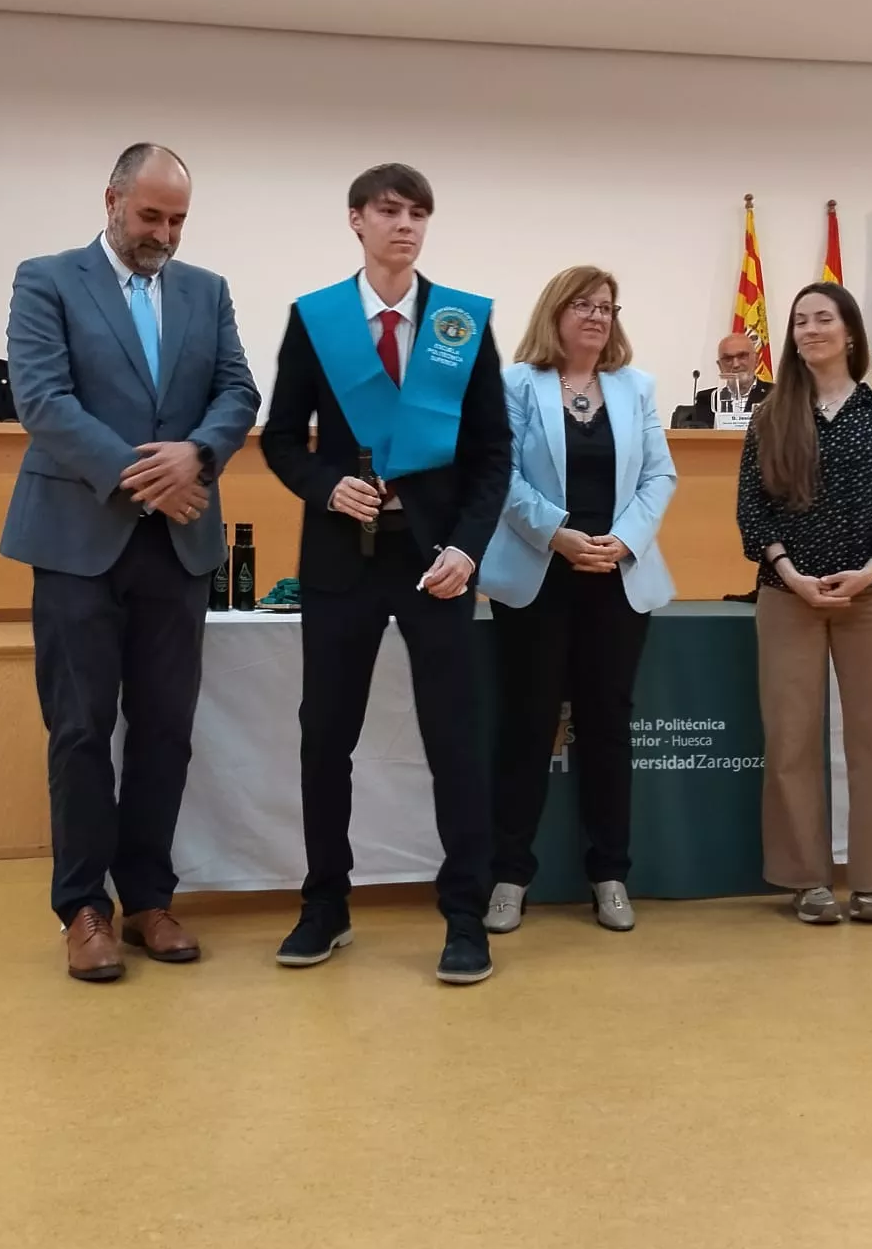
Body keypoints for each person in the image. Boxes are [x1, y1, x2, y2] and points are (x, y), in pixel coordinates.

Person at [1, 143, 260, 982]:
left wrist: (200, 451)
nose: (165, 233)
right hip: (78, 543)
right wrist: (146, 477)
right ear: (111, 199)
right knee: (80, 732)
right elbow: (42, 399)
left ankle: (148, 897)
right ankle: (84, 908)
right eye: (150, 215)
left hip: (178, 548)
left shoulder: (206, 292)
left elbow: (238, 392)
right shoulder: (46, 279)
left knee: (164, 730)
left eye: (178, 219)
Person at [261, 162, 510, 985]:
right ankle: (324, 905)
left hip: (438, 563)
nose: (406, 225)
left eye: (419, 214)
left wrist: (468, 549)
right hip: (341, 562)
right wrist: (323, 484)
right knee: (325, 740)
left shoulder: (461, 324)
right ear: (356, 220)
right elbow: (278, 440)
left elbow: (491, 454)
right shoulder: (316, 319)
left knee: (456, 742)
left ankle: (464, 915)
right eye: (389, 211)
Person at [480, 266, 676, 936]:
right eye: (584, 305)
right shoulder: (514, 386)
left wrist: (621, 541)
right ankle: (509, 876)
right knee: (528, 724)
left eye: (607, 307)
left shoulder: (636, 387)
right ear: (556, 313)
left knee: (607, 727)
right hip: (539, 576)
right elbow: (497, 474)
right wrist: (557, 536)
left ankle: (610, 874)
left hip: (616, 578)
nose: (597, 316)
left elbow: (659, 475)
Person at [737, 282, 872, 926]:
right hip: (788, 596)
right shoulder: (771, 415)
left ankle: (871, 880)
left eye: (823, 319)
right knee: (791, 740)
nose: (810, 330)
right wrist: (787, 568)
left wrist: (871, 571)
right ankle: (805, 878)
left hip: (869, 597)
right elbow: (751, 509)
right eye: (800, 321)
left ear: (851, 333)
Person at [693, 333, 769, 425]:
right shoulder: (706, 399)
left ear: (756, 360)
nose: (736, 364)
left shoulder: (775, 394)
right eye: (728, 359)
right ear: (720, 366)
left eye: (742, 356)